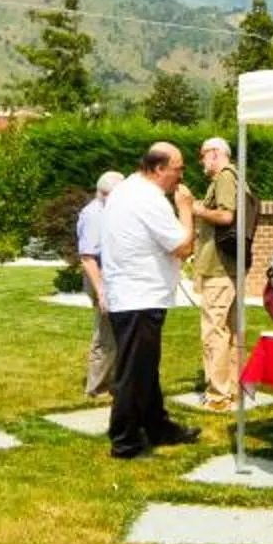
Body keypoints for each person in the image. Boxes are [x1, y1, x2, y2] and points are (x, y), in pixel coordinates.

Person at [100, 144, 200, 459]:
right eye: (178, 169)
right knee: (134, 372)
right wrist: (186, 208)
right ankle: (124, 440)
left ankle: (158, 427)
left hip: (129, 294)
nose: (181, 176)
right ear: (158, 169)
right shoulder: (149, 199)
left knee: (144, 367)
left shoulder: (126, 189)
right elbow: (182, 247)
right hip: (139, 297)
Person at [182, 137, 246, 412]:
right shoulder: (233, 177)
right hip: (228, 266)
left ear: (216, 153)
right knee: (230, 331)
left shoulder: (225, 177)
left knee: (214, 331)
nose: (201, 161)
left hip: (219, 267)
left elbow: (226, 216)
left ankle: (218, 395)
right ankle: (233, 388)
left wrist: (195, 208)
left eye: (203, 155)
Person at [75, 170, 124, 396]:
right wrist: (102, 291)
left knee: (117, 333)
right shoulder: (94, 215)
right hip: (101, 279)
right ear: (105, 193)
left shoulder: (110, 210)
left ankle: (114, 382)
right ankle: (97, 387)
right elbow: (87, 258)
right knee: (105, 335)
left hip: (113, 277)